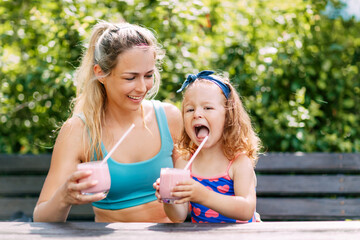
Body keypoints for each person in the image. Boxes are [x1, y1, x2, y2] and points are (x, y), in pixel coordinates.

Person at [33, 20, 182, 222]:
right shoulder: (78, 131)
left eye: (148, 75)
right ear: (100, 73)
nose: (142, 87)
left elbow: (187, 205)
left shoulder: (170, 118)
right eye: (130, 78)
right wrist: (63, 197)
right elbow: (41, 217)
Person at [154, 70, 262, 223]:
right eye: (190, 109)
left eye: (208, 108)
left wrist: (202, 195)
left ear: (228, 116)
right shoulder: (184, 163)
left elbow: (246, 209)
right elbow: (178, 217)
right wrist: (168, 197)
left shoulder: (239, 163)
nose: (197, 114)